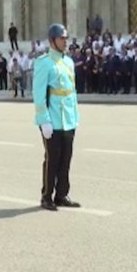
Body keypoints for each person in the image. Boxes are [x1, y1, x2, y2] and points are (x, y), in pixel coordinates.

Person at [32, 23, 81, 212]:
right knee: (52, 159)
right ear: (52, 41)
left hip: (68, 119)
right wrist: (43, 119)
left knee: (66, 158)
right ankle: (47, 196)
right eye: (62, 38)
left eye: (66, 38)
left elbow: (71, 92)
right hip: (52, 119)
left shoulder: (68, 62)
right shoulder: (43, 62)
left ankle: (62, 194)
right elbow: (38, 93)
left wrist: (75, 116)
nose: (65, 41)